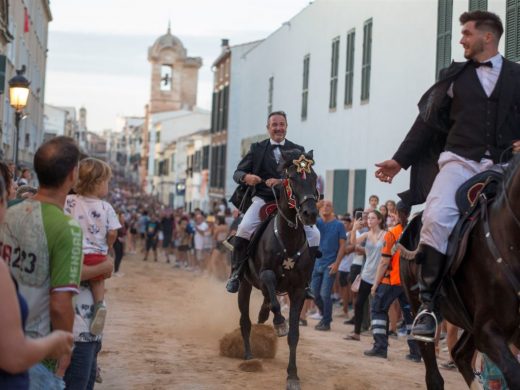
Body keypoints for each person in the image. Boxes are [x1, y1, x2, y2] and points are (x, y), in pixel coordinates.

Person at [375, 10, 520, 339]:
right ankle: (428, 305)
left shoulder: (517, 75)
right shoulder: (453, 75)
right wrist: (399, 161)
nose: (461, 40)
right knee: (437, 217)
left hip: (504, 165)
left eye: (467, 33)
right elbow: (426, 122)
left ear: (487, 37)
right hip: (460, 162)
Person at [0, 136, 83, 387]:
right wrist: (64, 347)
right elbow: (60, 303)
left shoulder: (9, 210)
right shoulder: (68, 227)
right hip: (36, 352)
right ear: (73, 174)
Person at [226, 111, 320, 293]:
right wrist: (247, 177)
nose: (278, 128)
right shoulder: (257, 148)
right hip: (264, 199)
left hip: (292, 203)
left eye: (281, 124)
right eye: (274, 125)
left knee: (315, 235)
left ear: (286, 126)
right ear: (268, 128)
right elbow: (237, 173)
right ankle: (236, 273)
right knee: (244, 228)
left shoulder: (299, 150)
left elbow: (304, 177)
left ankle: (306, 280)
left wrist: (282, 182)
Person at [65, 158, 121, 336]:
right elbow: (113, 233)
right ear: (98, 183)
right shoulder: (106, 207)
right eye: (107, 182)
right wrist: (109, 244)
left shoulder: (69, 200)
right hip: (97, 255)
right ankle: (99, 305)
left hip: (74, 253)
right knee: (98, 281)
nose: (108, 186)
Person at [363, 201, 421, 361]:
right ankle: (416, 353)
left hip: (392, 280)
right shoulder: (417, 233)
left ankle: (380, 347)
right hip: (410, 283)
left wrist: (375, 285)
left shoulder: (392, 233)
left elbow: (384, 261)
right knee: (410, 317)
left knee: (378, 309)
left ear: (395, 212)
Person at [344, 210, 385, 341]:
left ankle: (382, 336)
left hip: (380, 276)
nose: (369, 220)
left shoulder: (385, 235)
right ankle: (356, 333)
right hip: (366, 274)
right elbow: (353, 243)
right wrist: (355, 228)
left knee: (379, 306)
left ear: (379, 220)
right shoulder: (366, 234)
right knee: (359, 303)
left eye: (373, 218)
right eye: (369, 219)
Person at [312, 200, 346, 331]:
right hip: (316, 264)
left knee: (325, 294)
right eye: (323, 206)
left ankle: (326, 321)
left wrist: (337, 263)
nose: (325, 208)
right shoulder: (317, 223)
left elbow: (343, 245)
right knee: (314, 294)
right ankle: (325, 316)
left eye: (328, 206)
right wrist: (316, 206)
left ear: (332, 208)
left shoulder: (339, 225)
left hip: (330, 264)